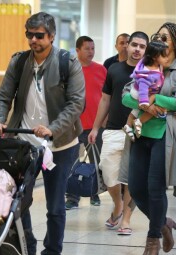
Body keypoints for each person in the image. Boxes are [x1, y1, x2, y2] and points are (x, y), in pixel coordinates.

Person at [0, 12, 85, 255]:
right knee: (18, 204)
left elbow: (76, 103)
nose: (33, 40)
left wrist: (52, 129)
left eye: (39, 36)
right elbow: (4, 96)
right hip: (24, 144)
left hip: (60, 146)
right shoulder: (19, 62)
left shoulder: (68, 62)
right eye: (29, 35)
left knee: (55, 207)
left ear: (52, 36)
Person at [126, 22, 176, 255]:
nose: (161, 39)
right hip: (140, 134)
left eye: (165, 37)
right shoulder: (146, 62)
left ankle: (152, 241)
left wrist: (155, 98)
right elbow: (126, 94)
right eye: (158, 36)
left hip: (164, 136)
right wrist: (142, 104)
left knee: (155, 190)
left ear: (175, 41)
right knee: (135, 188)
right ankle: (163, 223)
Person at [88, 31, 149, 233]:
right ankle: (118, 205)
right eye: (134, 45)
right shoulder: (114, 69)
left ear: (146, 50)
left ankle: (126, 220)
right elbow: (105, 100)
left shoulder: (149, 72)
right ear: (127, 46)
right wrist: (96, 127)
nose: (137, 49)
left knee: (131, 178)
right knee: (108, 175)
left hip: (138, 131)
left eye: (142, 46)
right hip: (113, 130)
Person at [65, 35, 107, 210]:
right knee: (73, 162)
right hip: (75, 125)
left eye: (93, 48)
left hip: (96, 125)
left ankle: (93, 193)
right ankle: (72, 197)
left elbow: (107, 97)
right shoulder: (70, 70)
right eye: (87, 48)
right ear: (77, 50)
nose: (91, 52)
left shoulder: (101, 70)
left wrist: (105, 120)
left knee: (97, 162)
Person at [122, 40, 168, 141]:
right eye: (164, 56)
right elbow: (143, 87)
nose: (166, 58)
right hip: (139, 93)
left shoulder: (158, 66)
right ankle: (139, 122)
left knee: (136, 110)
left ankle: (128, 125)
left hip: (146, 91)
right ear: (155, 57)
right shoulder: (147, 72)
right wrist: (144, 101)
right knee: (153, 108)